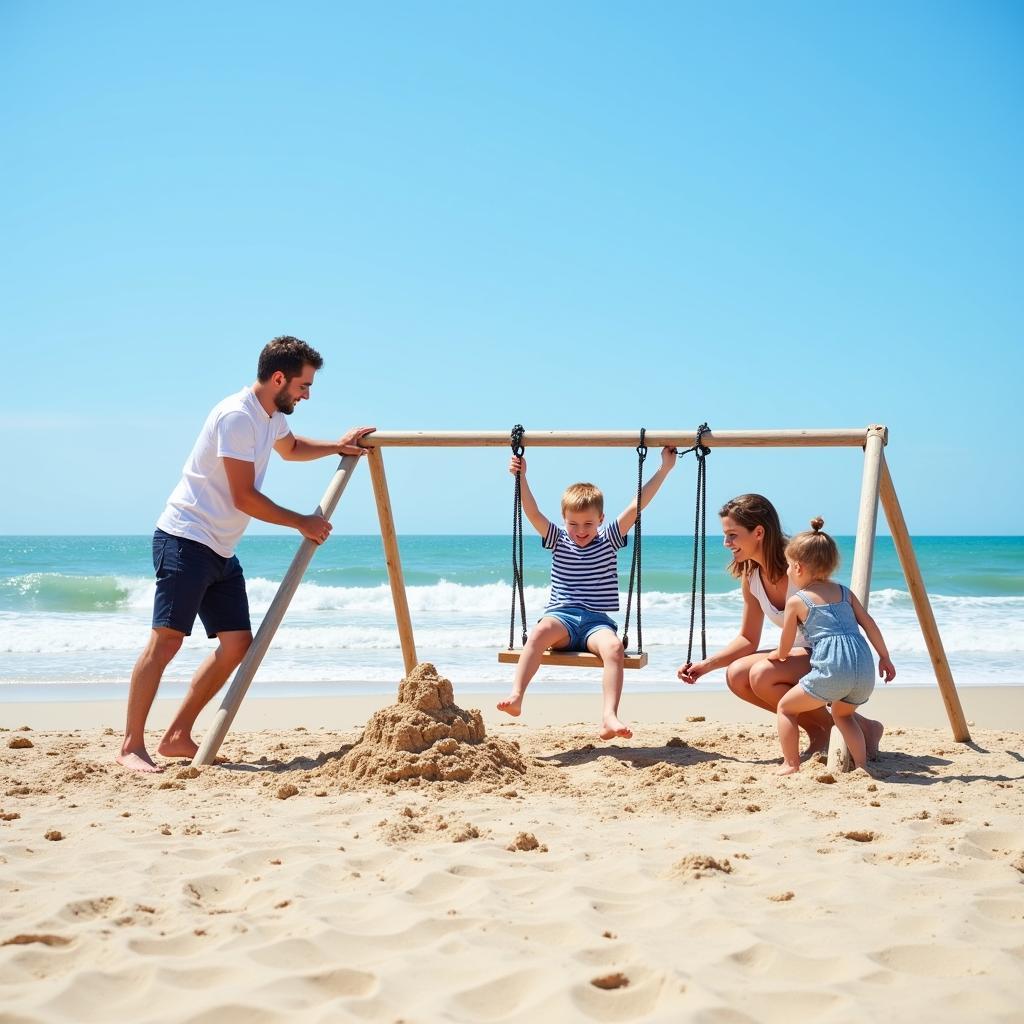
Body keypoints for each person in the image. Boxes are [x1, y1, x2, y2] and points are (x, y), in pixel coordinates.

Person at [117, 336, 375, 773]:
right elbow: (243, 497)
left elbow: (291, 449)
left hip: (219, 547)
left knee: (237, 645)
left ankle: (177, 735)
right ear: (279, 378)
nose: (306, 394)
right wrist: (302, 521)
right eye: (303, 385)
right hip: (185, 538)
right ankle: (130, 745)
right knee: (167, 642)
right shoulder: (237, 417)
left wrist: (337, 445)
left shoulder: (270, 415)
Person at [676, 494, 884, 758]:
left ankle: (830, 728)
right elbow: (748, 639)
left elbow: (838, 611)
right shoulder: (752, 576)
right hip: (799, 655)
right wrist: (706, 665)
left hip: (830, 655)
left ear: (758, 532)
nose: (726, 543)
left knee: (762, 674)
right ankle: (844, 727)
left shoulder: (798, 568)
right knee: (736, 675)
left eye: (732, 535)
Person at [497, 447, 677, 739]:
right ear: (563, 519)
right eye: (573, 524)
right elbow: (531, 511)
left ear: (601, 519)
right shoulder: (557, 538)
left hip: (596, 623)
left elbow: (636, 505)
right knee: (538, 633)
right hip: (562, 620)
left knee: (615, 649)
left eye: (588, 524)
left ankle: (609, 716)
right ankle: (517, 695)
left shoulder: (609, 539)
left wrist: (664, 469)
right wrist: (521, 478)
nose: (580, 531)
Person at [767, 518, 895, 775]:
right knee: (844, 716)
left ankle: (790, 763)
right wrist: (885, 658)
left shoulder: (797, 601)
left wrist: (777, 655)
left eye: (789, 567)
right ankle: (861, 766)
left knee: (786, 708)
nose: (788, 572)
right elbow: (869, 625)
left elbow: (787, 643)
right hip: (863, 670)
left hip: (832, 670)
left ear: (799, 567)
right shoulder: (845, 593)